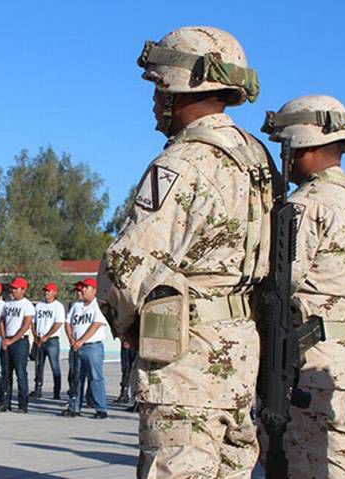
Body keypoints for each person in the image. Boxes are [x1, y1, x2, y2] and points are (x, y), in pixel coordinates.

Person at [97, 26, 271, 477]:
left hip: (185, 360)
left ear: (182, 86)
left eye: (159, 86)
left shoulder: (182, 161)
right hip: (238, 356)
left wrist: (125, 322)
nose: (155, 100)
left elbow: (126, 266)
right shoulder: (257, 159)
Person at [260, 95, 345, 478]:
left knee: (301, 462)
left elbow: (279, 281)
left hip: (305, 357)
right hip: (340, 356)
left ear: (300, 143)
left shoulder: (308, 202)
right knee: (335, 459)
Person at [61, 278, 109, 419]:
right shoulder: (76, 305)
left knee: (95, 377)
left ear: (94, 290)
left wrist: (81, 340)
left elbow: (95, 325)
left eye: (87, 287)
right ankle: (74, 407)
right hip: (76, 346)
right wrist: (71, 339)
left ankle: (101, 408)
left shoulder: (98, 305)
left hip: (92, 346)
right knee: (76, 378)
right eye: (83, 287)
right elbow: (68, 323)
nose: (83, 290)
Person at [0, 277, 34, 414]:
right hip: (7, 341)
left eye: (16, 288)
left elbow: (26, 325)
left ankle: (23, 404)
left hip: (20, 342)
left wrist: (12, 340)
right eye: (12, 288)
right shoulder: (7, 304)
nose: (13, 290)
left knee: (20, 373)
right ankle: (5, 402)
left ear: (23, 290)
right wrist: (4, 338)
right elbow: (2, 322)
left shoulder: (27, 305)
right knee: (6, 373)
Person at [31, 282, 65, 400]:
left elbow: (58, 323)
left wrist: (47, 335)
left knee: (54, 366)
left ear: (54, 293)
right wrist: (35, 336)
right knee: (38, 365)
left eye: (49, 291)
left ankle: (56, 392)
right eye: (45, 290)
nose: (46, 293)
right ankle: (37, 389)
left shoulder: (58, 306)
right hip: (39, 339)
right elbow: (33, 322)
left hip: (52, 340)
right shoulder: (39, 306)